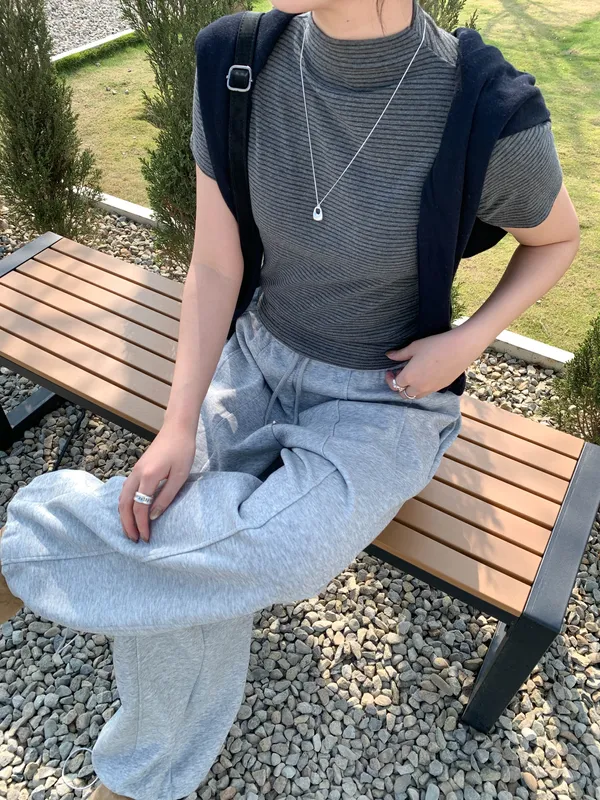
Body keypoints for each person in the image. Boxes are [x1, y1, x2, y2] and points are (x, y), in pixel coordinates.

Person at [0, 0, 580, 797]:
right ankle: (145, 775)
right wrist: (177, 427)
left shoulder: (486, 104)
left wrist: (469, 339)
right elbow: (215, 265)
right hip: (257, 358)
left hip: (388, 398)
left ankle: (24, 551)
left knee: (280, 552)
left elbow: (558, 240)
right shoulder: (234, 63)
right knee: (172, 521)